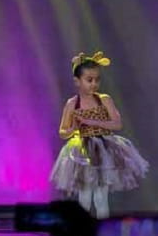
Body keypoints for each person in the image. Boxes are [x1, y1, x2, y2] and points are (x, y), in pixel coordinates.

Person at [49, 51, 148, 220]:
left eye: (97, 79)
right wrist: (73, 127)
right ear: (77, 81)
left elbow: (117, 124)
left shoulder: (104, 99)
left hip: (104, 148)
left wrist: (92, 122)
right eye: (89, 80)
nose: (94, 83)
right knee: (84, 198)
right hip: (83, 153)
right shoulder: (73, 103)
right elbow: (63, 132)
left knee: (101, 198)